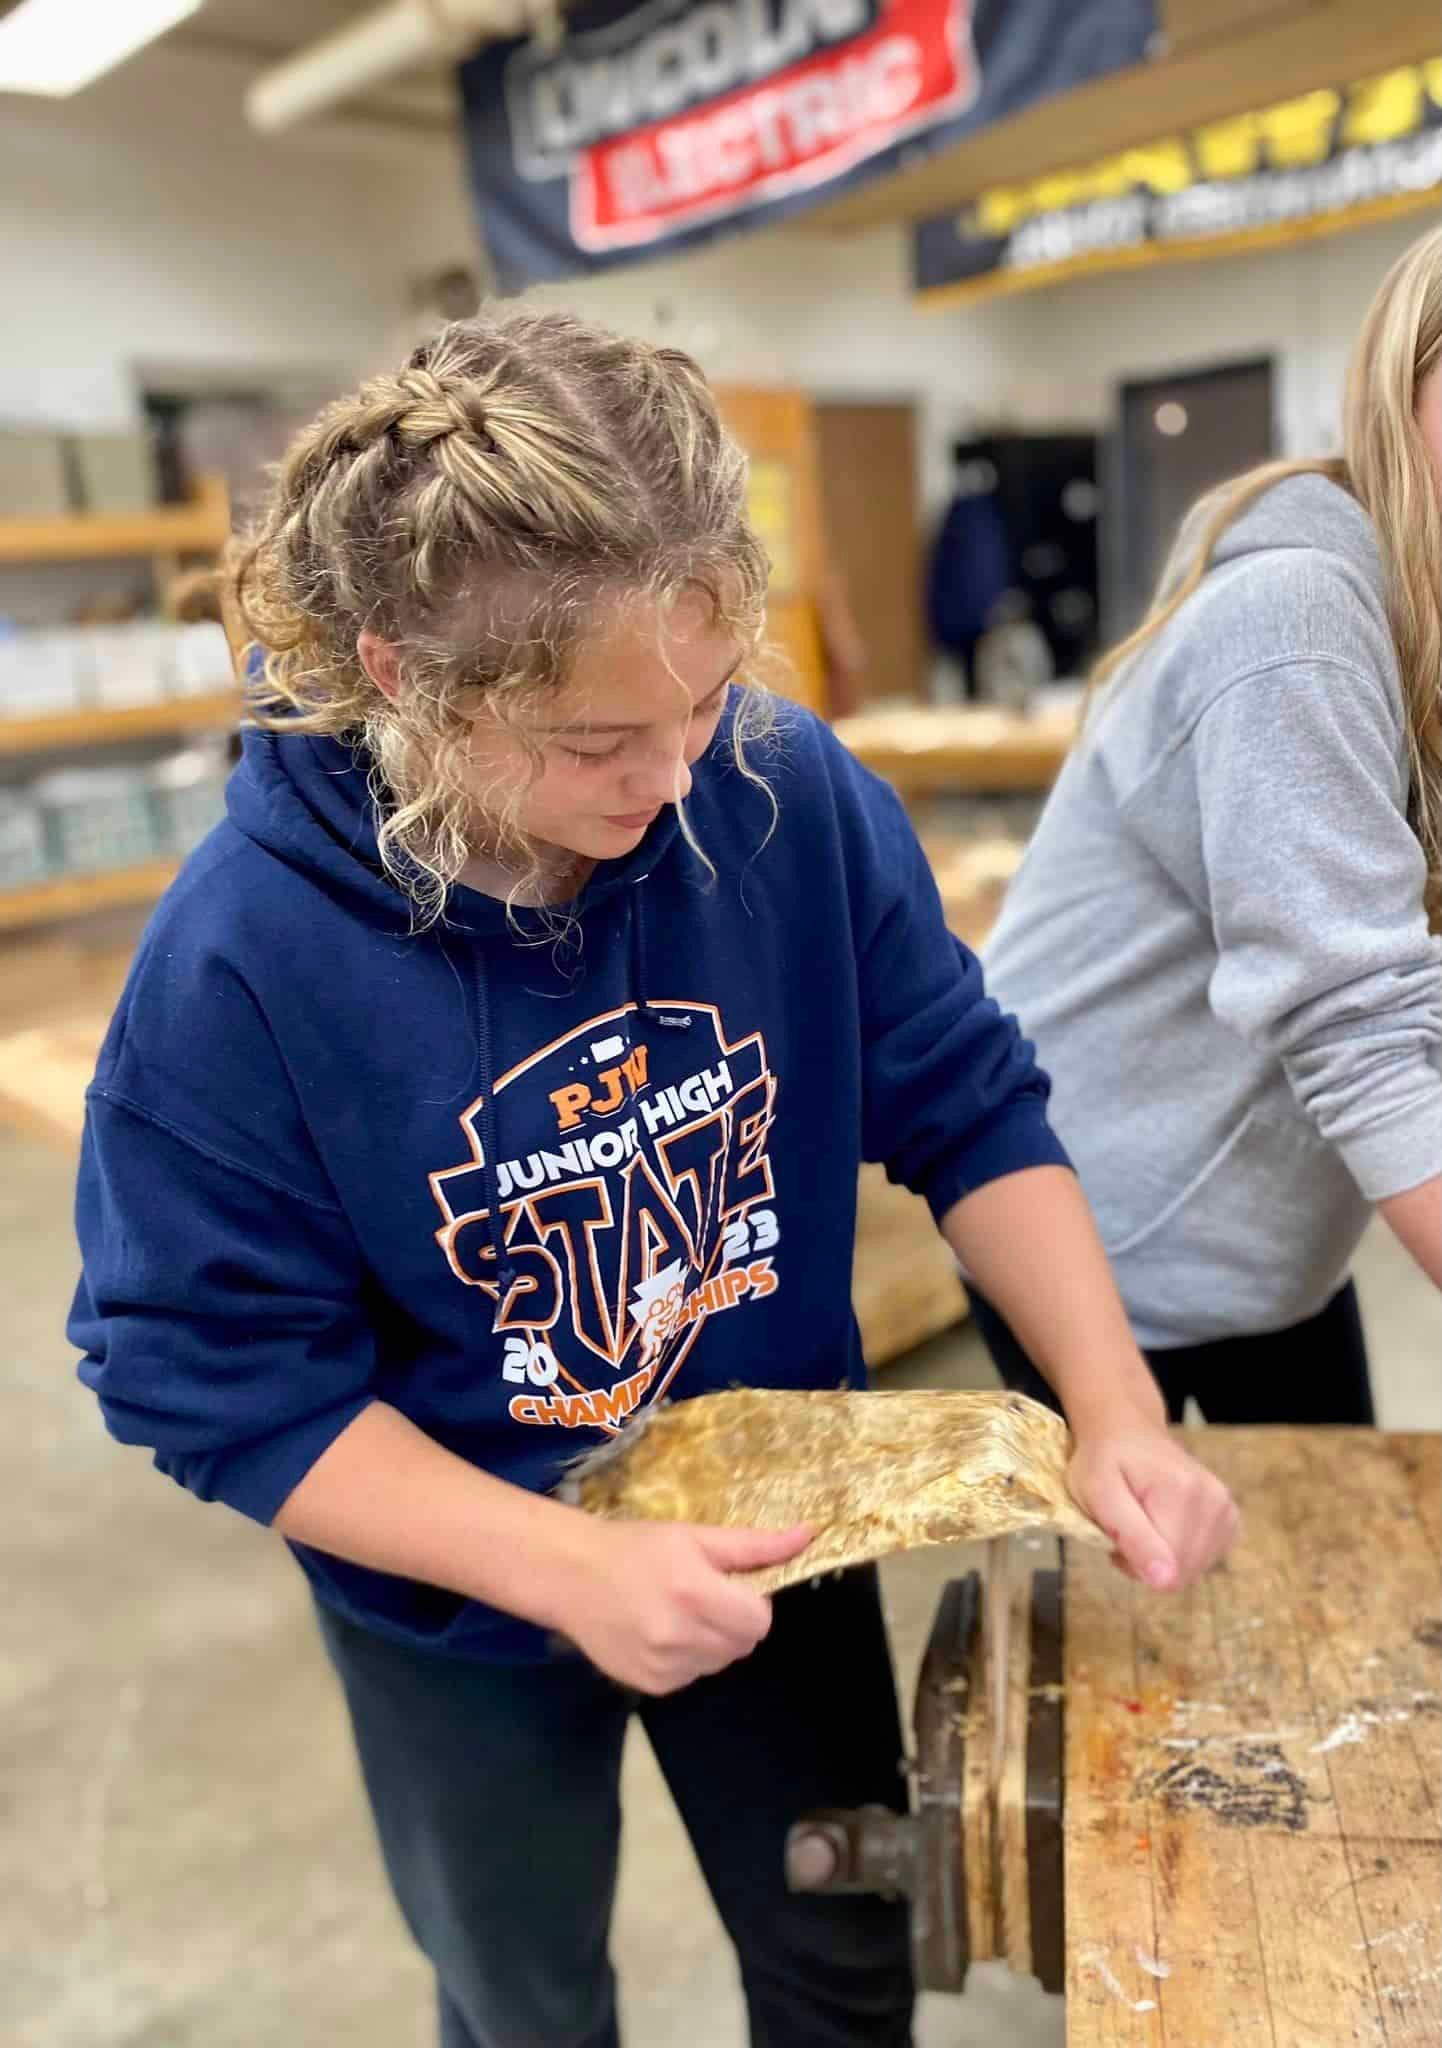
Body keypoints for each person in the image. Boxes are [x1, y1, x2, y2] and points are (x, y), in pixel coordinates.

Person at [70, 310, 1236, 2048]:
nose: (671, 773)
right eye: (596, 740)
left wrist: (1116, 1401)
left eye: (700, 701)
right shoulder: (241, 961)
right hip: (454, 1597)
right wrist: (551, 1563)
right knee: (526, 1992)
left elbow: (968, 1104)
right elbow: (210, 1377)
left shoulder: (778, 791)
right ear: (402, 677)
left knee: (847, 1941)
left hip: (777, 1519)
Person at [974, 225, 1442, 1428]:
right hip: (1113, 1225)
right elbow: (1358, 1017)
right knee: (1163, 1604)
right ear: (1406, 381)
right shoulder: (1295, 614)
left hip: (1267, 1239)